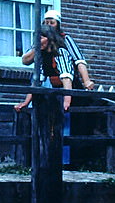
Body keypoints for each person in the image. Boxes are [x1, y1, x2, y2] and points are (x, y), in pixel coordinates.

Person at [15, 25, 76, 165]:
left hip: (63, 91)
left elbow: (67, 78)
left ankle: (62, 163)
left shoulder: (61, 53)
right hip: (48, 92)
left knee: (62, 126)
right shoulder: (41, 56)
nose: (38, 41)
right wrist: (26, 102)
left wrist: (67, 101)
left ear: (49, 39)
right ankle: (43, 160)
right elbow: (36, 81)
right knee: (43, 126)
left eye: (41, 38)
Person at [40, 9, 94, 90]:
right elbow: (27, 60)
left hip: (68, 82)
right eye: (46, 23)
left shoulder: (65, 39)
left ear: (57, 24)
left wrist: (86, 81)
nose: (49, 25)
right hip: (49, 83)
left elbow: (79, 60)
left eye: (52, 23)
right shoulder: (41, 41)